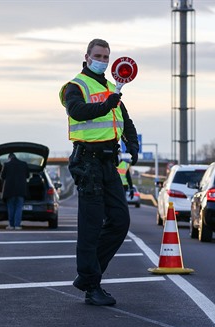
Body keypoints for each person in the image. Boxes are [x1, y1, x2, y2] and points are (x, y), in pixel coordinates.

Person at [59, 38, 140, 306]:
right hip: (87, 161)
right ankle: (92, 285)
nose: (102, 61)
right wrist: (107, 104)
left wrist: (133, 143)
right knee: (91, 227)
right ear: (86, 56)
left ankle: (88, 277)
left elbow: (124, 119)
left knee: (119, 221)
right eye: (98, 55)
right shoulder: (76, 86)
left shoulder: (109, 87)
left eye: (106, 57)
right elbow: (77, 111)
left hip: (108, 162)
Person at [1, 153, 29, 230]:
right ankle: (17, 225)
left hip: (10, 191)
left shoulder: (6, 165)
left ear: (9, 158)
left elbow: (2, 177)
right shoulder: (23, 164)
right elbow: (27, 175)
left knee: (11, 207)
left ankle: (11, 225)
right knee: (19, 207)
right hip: (21, 190)